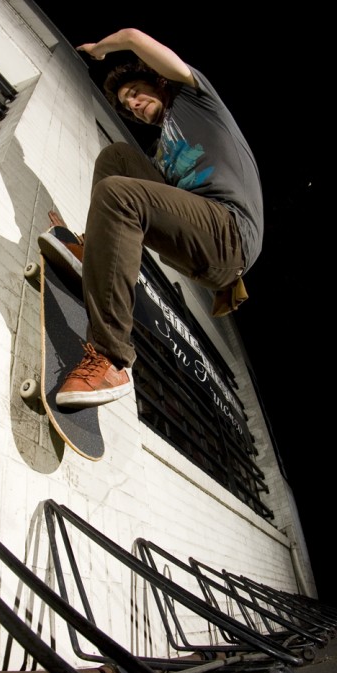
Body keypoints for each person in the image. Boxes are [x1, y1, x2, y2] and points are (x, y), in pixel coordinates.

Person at [38, 28, 264, 409]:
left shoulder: (195, 97)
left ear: (157, 82)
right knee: (117, 158)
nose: (134, 105)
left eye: (136, 93)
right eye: (128, 106)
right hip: (198, 234)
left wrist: (101, 49)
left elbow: (133, 37)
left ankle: (111, 358)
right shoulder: (161, 150)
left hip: (230, 233)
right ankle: (93, 252)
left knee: (118, 194)